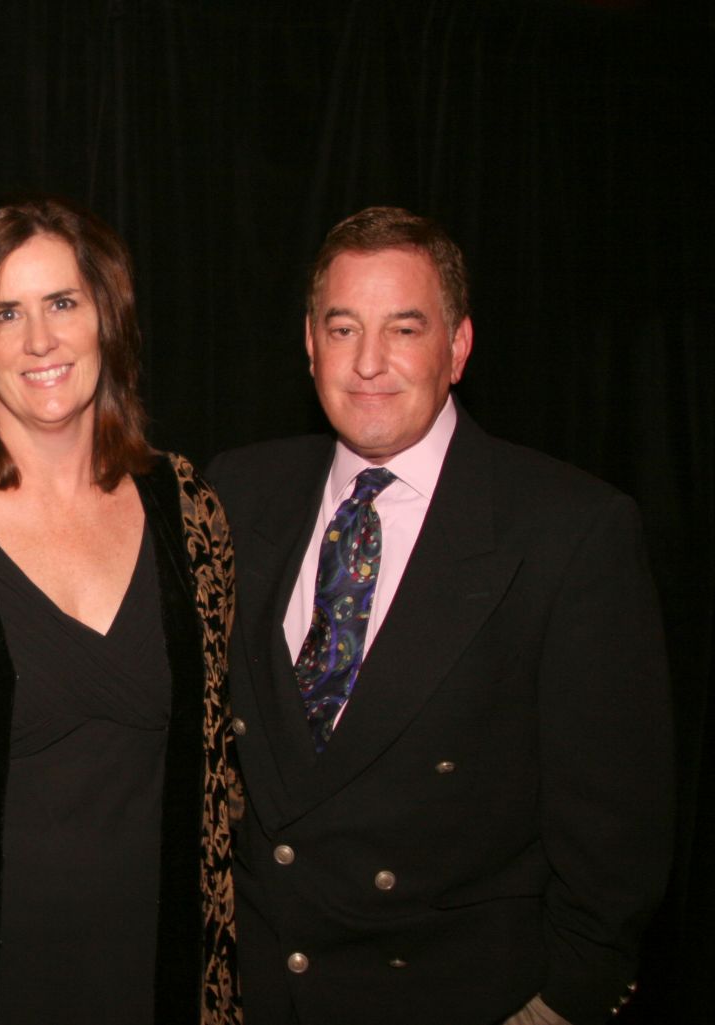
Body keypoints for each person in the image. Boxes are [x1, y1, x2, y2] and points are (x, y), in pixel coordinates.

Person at [206, 206, 673, 1025]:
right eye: (343, 328)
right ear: (309, 344)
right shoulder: (236, 494)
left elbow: (616, 836)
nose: (369, 363)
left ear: (457, 347)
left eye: (405, 329)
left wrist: (560, 1005)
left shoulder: (568, 530)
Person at [0, 196, 240, 1025]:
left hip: (163, 979)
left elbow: (221, 778)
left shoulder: (190, 508)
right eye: (5, 313)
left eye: (63, 303)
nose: (40, 340)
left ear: (108, 320)